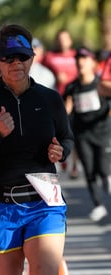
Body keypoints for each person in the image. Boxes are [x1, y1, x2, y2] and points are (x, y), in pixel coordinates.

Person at [0, 24, 74, 275]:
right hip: (0, 204)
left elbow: (67, 139)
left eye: (22, 56)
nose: (16, 63)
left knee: (45, 270)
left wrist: (61, 151)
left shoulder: (50, 99)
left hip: (45, 203)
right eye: (7, 58)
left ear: (32, 57)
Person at [63, 46, 110, 222]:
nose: (80, 62)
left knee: (104, 170)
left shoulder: (102, 85)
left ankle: (107, 188)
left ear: (93, 63)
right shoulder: (72, 87)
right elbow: (65, 110)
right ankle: (98, 205)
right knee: (89, 171)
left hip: (103, 132)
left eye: (84, 58)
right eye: (78, 59)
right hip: (82, 134)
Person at [43, 29, 79, 179]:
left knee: (75, 131)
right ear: (56, 41)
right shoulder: (49, 57)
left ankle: (74, 164)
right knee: (60, 130)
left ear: (70, 40)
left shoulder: (77, 56)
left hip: (75, 97)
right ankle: (62, 155)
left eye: (66, 38)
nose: (63, 41)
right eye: (60, 38)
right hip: (57, 98)